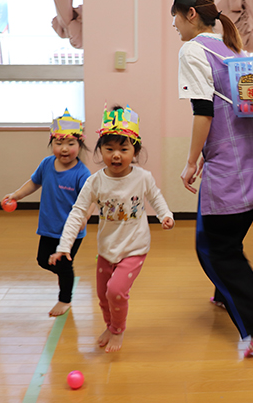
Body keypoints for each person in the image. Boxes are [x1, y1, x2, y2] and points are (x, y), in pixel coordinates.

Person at [172, 0, 253, 358]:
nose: (174, 26)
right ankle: (224, 295)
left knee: (215, 249)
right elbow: (232, 112)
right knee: (227, 242)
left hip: (230, 174)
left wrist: (190, 162)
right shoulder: (230, 49)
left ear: (190, 15)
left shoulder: (192, 51)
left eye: (176, 18)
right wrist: (206, 152)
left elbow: (204, 111)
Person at [49, 105, 174, 353]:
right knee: (103, 294)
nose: (116, 155)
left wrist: (165, 215)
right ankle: (110, 325)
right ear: (100, 151)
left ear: (135, 151)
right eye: (109, 149)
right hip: (106, 249)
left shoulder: (142, 177)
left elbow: (156, 197)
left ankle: (118, 330)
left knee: (115, 292)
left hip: (134, 248)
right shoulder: (95, 181)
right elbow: (77, 212)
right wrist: (64, 246)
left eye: (123, 149)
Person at [3, 109, 91, 317]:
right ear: (52, 144)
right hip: (49, 227)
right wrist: (16, 195)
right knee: (43, 260)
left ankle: (65, 299)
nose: (64, 148)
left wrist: (84, 218)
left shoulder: (82, 173)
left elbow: (90, 200)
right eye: (59, 143)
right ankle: (66, 276)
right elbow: (34, 182)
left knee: (64, 265)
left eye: (71, 143)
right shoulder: (46, 164)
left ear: (80, 145)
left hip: (71, 231)